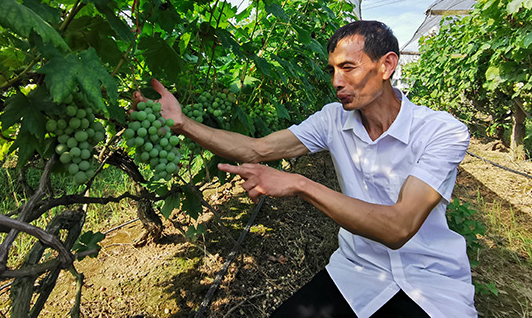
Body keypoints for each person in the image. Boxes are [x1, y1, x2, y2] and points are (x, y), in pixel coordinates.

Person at [133, 20, 477, 318]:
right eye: (332, 70)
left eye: (348, 68)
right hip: (357, 273)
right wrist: (183, 124)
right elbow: (258, 148)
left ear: (386, 65)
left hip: (431, 282)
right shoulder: (332, 119)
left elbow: (399, 227)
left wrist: (300, 183)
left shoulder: (442, 132)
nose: (336, 81)